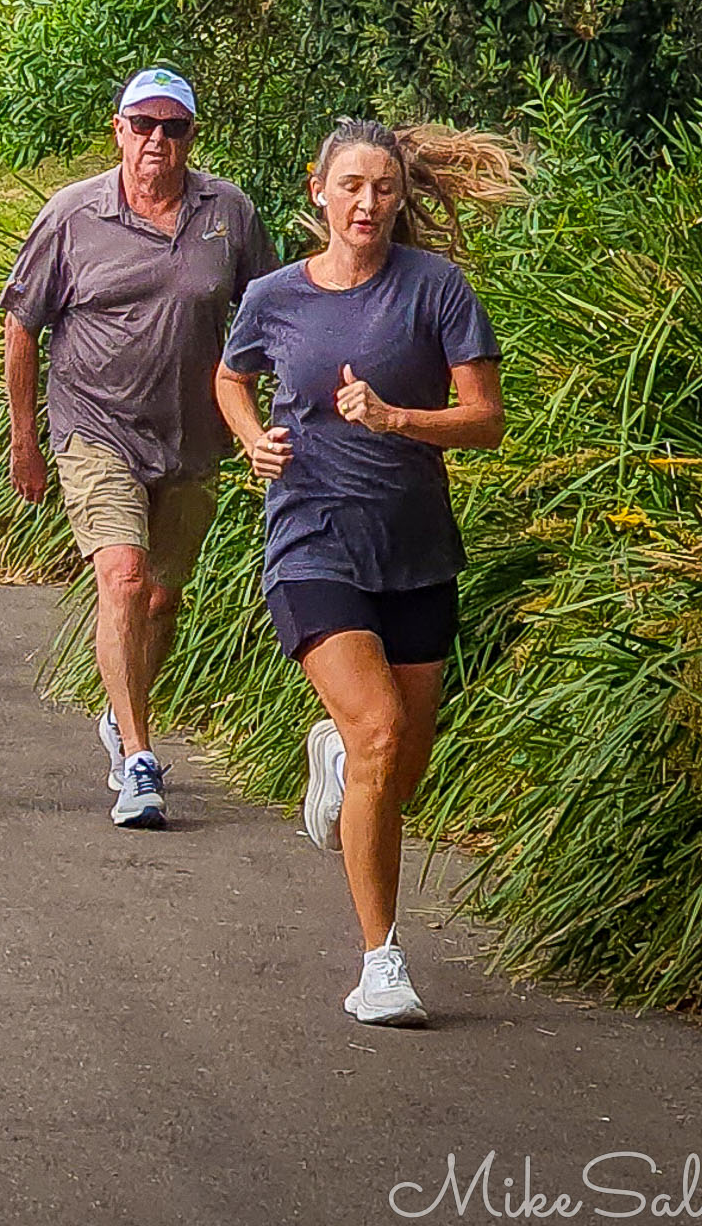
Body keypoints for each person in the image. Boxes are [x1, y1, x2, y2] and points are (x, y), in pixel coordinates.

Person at [215, 118, 514, 1027]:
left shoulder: (437, 289)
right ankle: (380, 960)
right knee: (384, 731)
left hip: (418, 551)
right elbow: (230, 376)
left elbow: (486, 419)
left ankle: (336, 753)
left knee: (397, 764)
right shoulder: (274, 297)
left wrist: (395, 420)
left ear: (400, 197)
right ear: (318, 191)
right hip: (312, 545)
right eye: (350, 186)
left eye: (383, 188)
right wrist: (251, 438)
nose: (367, 203)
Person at [3, 66, 277, 829]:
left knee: (160, 598)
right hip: (96, 427)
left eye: (174, 126)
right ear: (118, 128)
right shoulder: (73, 215)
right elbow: (22, 323)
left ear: (193, 134)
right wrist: (26, 439)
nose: (158, 139)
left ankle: (124, 712)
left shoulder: (229, 213)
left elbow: (266, 314)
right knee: (122, 577)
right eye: (143, 124)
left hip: (193, 436)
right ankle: (138, 756)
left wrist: (271, 415)